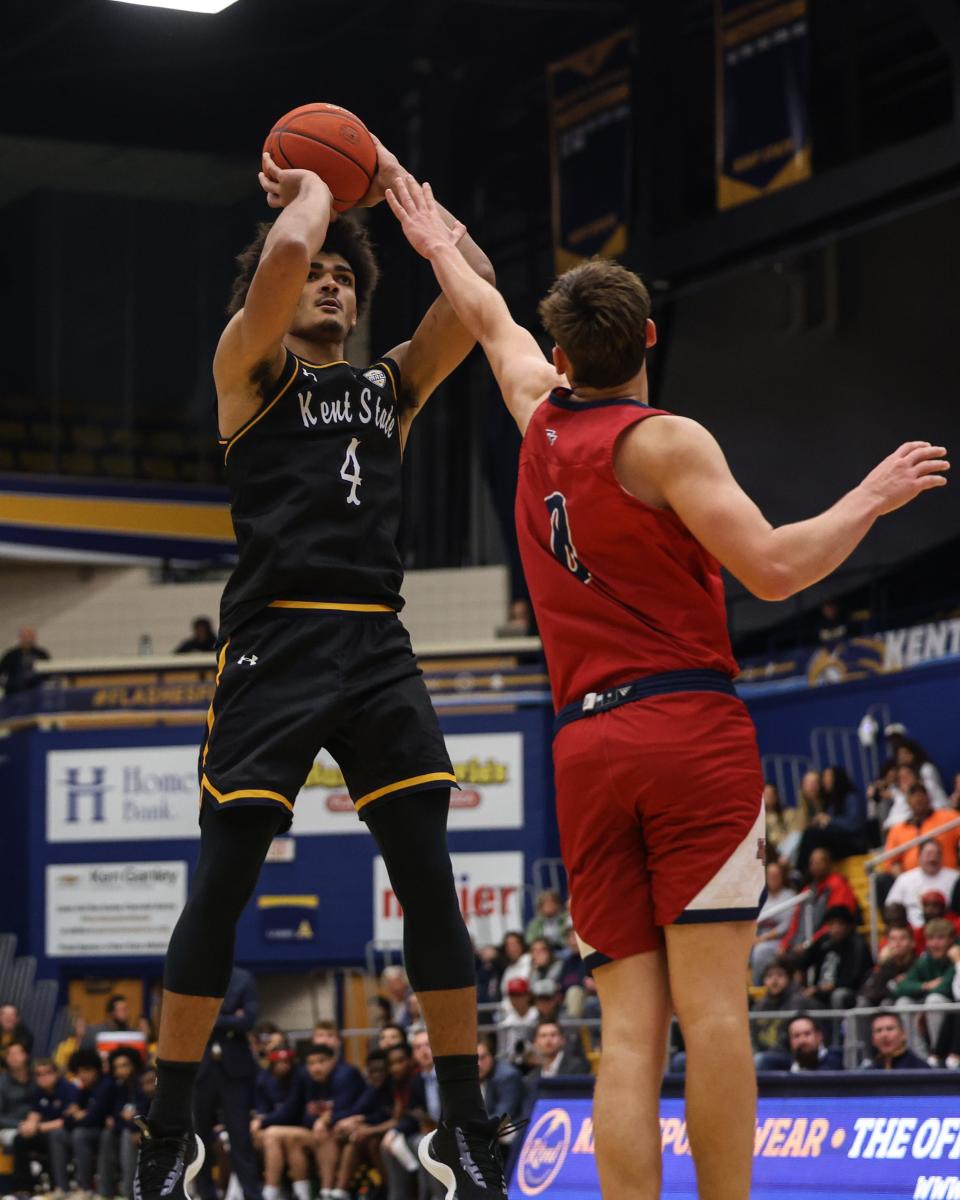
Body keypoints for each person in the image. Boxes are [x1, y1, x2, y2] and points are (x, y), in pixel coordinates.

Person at [385, 173, 948, 1200]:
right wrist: (870, 496)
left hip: (583, 749)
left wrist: (433, 239)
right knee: (717, 1011)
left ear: (561, 355)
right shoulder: (667, 442)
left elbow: (484, 311)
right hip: (686, 728)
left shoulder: (535, 413)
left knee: (627, 1031)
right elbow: (776, 568)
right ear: (650, 339)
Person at [135, 139, 507, 1200]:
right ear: (281, 290)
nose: (332, 282)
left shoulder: (389, 388)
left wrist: (394, 183)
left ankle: (464, 1122)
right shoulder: (248, 368)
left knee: (428, 878)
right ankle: (173, 1131)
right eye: (318, 275)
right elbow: (290, 246)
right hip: (276, 636)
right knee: (226, 880)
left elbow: (472, 288)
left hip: (375, 639)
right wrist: (313, 192)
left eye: (349, 277)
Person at [193, 966, 263, 1200]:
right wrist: (232, 1016)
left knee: (240, 1137)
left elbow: (249, 1020)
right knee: (200, 1137)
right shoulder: (193, 975)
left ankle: (252, 1194)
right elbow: (190, 1017)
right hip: (202, 1069)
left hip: (235, 1070)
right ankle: (206, 1194)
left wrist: (212, 1018)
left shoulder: (243, 978)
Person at [10, 1058, 78, 1197]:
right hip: (47, 1133)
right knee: (20, 1139)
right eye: (39, 1074)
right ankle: (24, 1189)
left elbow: (66, 1120)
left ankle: (57, 1186)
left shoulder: (68, 1089)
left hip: (67, 1134)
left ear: (56, 1073)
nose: (43, 1077)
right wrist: (28, 1126)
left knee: (55, 1136)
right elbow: (35, 1113)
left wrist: (39, 1127)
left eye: (47, 1072)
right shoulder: (39, 1092)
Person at [895, 918, 958, 1061]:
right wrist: (925, 985)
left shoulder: (956, 956)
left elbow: (944, 988)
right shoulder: (925, 959)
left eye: (940, 938)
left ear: (952, 940)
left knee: (934, 1000)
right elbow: (900, 988)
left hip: (954, 1016)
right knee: (903, 1002)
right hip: (928, 1005)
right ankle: (917, 1057)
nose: (935, 944)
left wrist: (922, 993)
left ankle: (937, 1055)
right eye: (930, 939)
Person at [779, 848, 858, 954]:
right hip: (800, 942)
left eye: (819, 862)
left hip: (824, 942)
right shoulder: (807, 890)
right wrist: (784, 944)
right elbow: (795, 921)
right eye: (812, 863)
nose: (815, 866)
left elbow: (836, 924)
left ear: (828, 864)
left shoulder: (838, 885)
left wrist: (809, 944)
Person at [795, 766, 868, 875]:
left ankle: (800, 871)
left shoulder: (850, 797)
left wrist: (829, 820)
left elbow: (854, 825)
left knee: (813, 834)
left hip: (853, 844)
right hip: (838, 843)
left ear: (837, 778)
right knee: (810, 835)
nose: (825, 780)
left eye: (828, 777)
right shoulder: (831, 802)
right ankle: (804, 873)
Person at [882, 785, 960, 874]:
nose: (918, 799)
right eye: (913, 796)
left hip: (948, 878)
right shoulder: (898, 830)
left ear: (928, 798)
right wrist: (902, 879)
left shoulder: (948, 817)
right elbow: (890, 862)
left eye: (921, 795)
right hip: (913, 884)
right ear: (908, 802)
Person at [886, 840, 960, 928]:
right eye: (928, 854)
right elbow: (891, 906)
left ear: (942, 857)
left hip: (945, 930)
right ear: (919, 856)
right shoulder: (904, 879)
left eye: (937, 854)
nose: (932, 858)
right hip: (911, 931)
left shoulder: (955, 878)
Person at [751, 961, 806, 1071]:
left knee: (759, 1060)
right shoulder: (758, 1007)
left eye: (780, 975)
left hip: (789, 1057)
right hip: (762, 1056)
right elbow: (752, 1038)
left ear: (789, 979)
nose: (774, 981)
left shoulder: (797, 1003)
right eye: (770, 976)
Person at [750, 862, 797, 983]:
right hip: (761, 935)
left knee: (760, 951)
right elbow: (755, 921)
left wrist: (762, 938)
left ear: (782, 877)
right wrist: (753, 937)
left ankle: (757, 986)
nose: (773, 879)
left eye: (776, 876)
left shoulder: (790, 896)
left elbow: (786, 926)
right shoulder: (762, 897)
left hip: (781, 940)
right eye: (770, 876)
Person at [859, 924, 917, 1007]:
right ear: (888, 943)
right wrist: (882, 963)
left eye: (903, 938)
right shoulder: (885, 964)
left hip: (910, 1004)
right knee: (863, 1002)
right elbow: (869, 992)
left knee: (888, 1003)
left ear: (912, 943)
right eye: (893, 939)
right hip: (881, 1005)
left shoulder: (918, 964)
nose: (898, 943)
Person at [863, 1012, 930, 1070]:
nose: (884, 1035)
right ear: (873, 1039)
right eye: (878, 1030)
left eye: (890, 1029)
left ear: (903, 1034)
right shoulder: (867, 1074)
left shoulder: (921, 1070)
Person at [477, 1042, 523, 1124]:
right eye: (474, 1059)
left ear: (492, 1056)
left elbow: (502, 1116)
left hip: (510, 1129)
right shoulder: (473, 1075)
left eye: (482, 1058)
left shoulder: (508, 1076)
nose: (478, 1064)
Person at [0, 1041, 32, 1153]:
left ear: (26, 1056)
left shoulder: (38, 1078)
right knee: (20, 1138)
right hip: (10, 1128)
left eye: (17, 1053)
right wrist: (20, 1124)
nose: (13, 1057)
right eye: (10, 1054)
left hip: (38, 1125)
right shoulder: (2, 1082)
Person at [0, 627, 50, 695]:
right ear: (20, 638)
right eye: (25, 637)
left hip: (36, 692)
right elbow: (1, 670)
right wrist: (4, 685)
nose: (28, 640)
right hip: (14, 693)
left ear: (34, 638)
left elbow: (49, 673)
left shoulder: (42, 654)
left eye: (30, 637)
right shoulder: (11, 655)